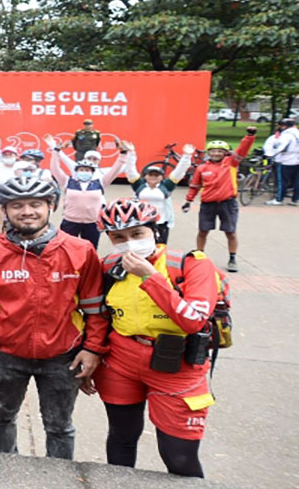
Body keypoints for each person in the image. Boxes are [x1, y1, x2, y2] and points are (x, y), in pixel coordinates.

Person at [0, 176, 108, 460]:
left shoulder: (80, 250)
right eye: (17, 205)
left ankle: (58, 478)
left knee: (59, 426)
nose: (27, 211)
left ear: (51, 205)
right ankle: (7, 473)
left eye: (35, 204)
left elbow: (95, 309)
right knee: (2, 416)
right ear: (4, 210)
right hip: (7, 354)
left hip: (63, 356)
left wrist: (93, 349)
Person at [92, 199, 222, 477]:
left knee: (179, 457)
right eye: (119, 237)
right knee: (121, 440)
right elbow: (100, 316)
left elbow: (192, 320)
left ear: (156, 231)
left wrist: (151, 276)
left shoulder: (191, 264)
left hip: (177, 364)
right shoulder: (109, 266)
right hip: (121, 361)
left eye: (137, 234)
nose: (129, 244)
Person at [182, 129, 256, 272]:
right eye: (213, 151)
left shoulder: (231, 163)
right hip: (208, 204)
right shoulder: (202, 168)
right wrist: (188, 200)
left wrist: (249, 137)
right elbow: (195, 185)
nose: (216, 154)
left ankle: (232, 258)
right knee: (203, 231)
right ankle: (199, 255)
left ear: (225, 153)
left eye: (220, 151)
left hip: (227, 203)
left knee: (230, 232)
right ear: (209, 153)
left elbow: (242, 150)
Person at [48, 135, 129, 248]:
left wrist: (123, 153)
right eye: (81, 169)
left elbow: (115, 169)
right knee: (66, 249)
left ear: (92, 172)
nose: (84, 172)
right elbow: (55, 169)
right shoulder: (68, 182)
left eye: (87, 170)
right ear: (77, 171)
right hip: (70, 223)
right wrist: (56, 151)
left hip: (92, 224)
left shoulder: (100, 182)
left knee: (90, 250)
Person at [125, 144, 194, 244]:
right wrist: (131, 153)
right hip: (140, 222)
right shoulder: (139, 185)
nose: (153, 177)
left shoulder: (166, 185)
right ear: (145, 176)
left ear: (162, 177)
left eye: (157, 175)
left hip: (161, 223)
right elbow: (130, 170)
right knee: (141, 249)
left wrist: (187, 156)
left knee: (160, 250)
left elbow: (180, 171)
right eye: (150, 174)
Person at [269, 118, 299, 205]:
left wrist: (271, 154)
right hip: (297, 160)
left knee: (282, 181)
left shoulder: (287, 135)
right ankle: (295, 199)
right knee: (297, 181)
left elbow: (279, 147)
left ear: (284, 126)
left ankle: (279, 199)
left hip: (286, 160)